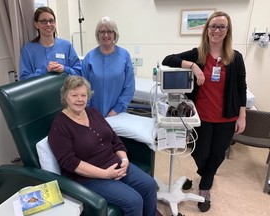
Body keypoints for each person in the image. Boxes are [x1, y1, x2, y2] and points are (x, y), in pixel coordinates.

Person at [162, 11, 247, 208]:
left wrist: (242, 116)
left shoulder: (236, 58)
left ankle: (205, 186)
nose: (216, 30)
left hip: (227, 116)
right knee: (199, 153)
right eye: (213, 26)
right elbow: (168, 59)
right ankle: (206, 174)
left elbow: (241, 87)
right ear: (207, 29)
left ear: (227, 31)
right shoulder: (197, 54)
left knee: (218, 154)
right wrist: (192, 66)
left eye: (221, 27)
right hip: (202, 117)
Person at [48, 75, 158, 216]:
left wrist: (124, 160)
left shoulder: (93, 112)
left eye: (83, 95)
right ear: (65, 97)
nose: (79, 99)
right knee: (134, 201)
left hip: (115, 163)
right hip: (88, 178)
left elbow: (114, 138)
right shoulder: (60, 126)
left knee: (150, 185)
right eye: (74, 95)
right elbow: (69, 162)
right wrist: (105, 174)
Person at [81, 17, 135, 117]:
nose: (106, 35)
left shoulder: (124, 56)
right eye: (102, 32)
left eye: (109, 31)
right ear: (98, 34)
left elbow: (129, 87)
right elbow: (82, 88)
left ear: (115, 34)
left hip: (118, 113)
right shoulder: (89, 58)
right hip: (92, 114)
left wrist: (117, 109)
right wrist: (89, 110)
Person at [19, 6, 81, 80]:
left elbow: (79, 73)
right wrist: (44, 71)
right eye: (44, 21)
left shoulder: (66, 46)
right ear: (36, 24)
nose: (48, 24)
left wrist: (64, 69)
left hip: (66, 90)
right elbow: (24, 79)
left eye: (51, 21)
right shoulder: (28, 50)